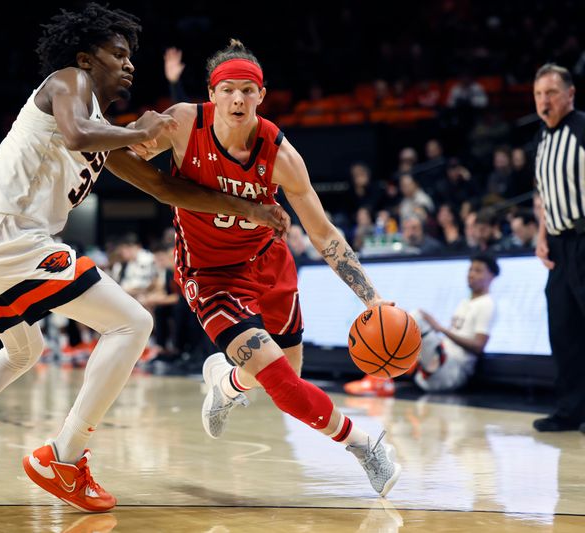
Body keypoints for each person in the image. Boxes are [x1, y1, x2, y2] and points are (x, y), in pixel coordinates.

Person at [0, 6, 289, 513]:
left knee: (22, 353)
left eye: (130, 56)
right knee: (132, 324)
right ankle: (65, 457)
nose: (128, 65)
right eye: (118, 54)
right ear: (84, 58)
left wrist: (249, 208)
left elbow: (164, 187)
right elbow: (75, 135)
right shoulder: (66, 82)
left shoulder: (100, 127)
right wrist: (142, 133)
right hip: (4, 234)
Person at [130, 40, 400, 497]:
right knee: (280, 382)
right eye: (229, 89)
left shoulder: (281, 156)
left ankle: (226, 382)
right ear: (212, 94)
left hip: (269, 264)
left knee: (287, 372)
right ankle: (364, 443)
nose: (238, 99)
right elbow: (122, 153)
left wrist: (371, 297)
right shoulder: (180, 124)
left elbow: (324, 233)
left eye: (248, 90)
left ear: (262, 95)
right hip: (211, 275)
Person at [344, 254, 498, 396]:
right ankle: (389, 374)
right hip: (438, 367)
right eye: (470, 269)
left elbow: (479, 346)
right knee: (406, 320)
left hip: (454, 371)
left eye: (478, 271)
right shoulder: (465, 302)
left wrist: (440, 329)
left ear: (492, 276)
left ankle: (378, 380)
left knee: (416, 317)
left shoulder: (486, 304)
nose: (471, 274)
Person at [531, 64, 585, 433]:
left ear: (570, 94)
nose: (543, 101)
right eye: (538, 94)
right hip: (559, 246)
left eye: (551, 92)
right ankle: (570, 410)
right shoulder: (543, 140)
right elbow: (544, 196)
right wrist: (541, 234)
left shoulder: (582, 130)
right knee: (563, 330)